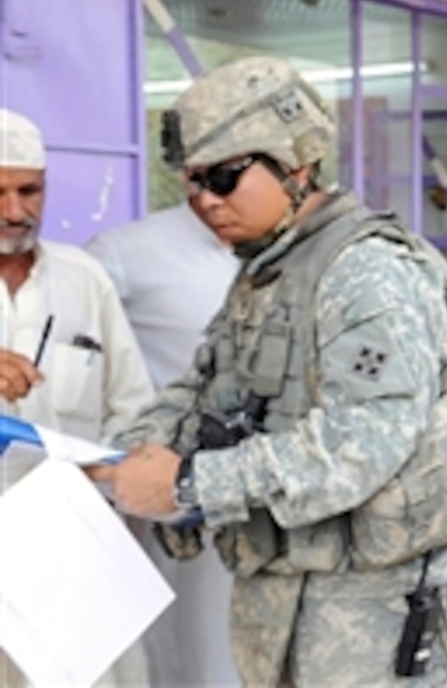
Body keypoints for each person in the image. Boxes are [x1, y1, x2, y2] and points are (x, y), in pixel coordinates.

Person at [86, 55, 447, 686]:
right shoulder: (265, 271)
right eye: (192, 183)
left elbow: (362, 444)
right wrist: (130, 451)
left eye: (223, 178)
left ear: (296, 163)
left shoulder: (368, 272)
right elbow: (201, 387)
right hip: (281, 597)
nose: (204, 201)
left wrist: (189, 484)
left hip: (370, 608)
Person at [0, 108, 155, 685]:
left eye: (29, 190)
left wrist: (104, 483)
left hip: (72, 543)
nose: (15, 211)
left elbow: (134, 407)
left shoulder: (82, 278)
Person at [85, 200, 241, 687]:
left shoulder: (293, 256)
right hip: (172, 507)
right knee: (190, 657)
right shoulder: (122, 254)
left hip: (268, 499)